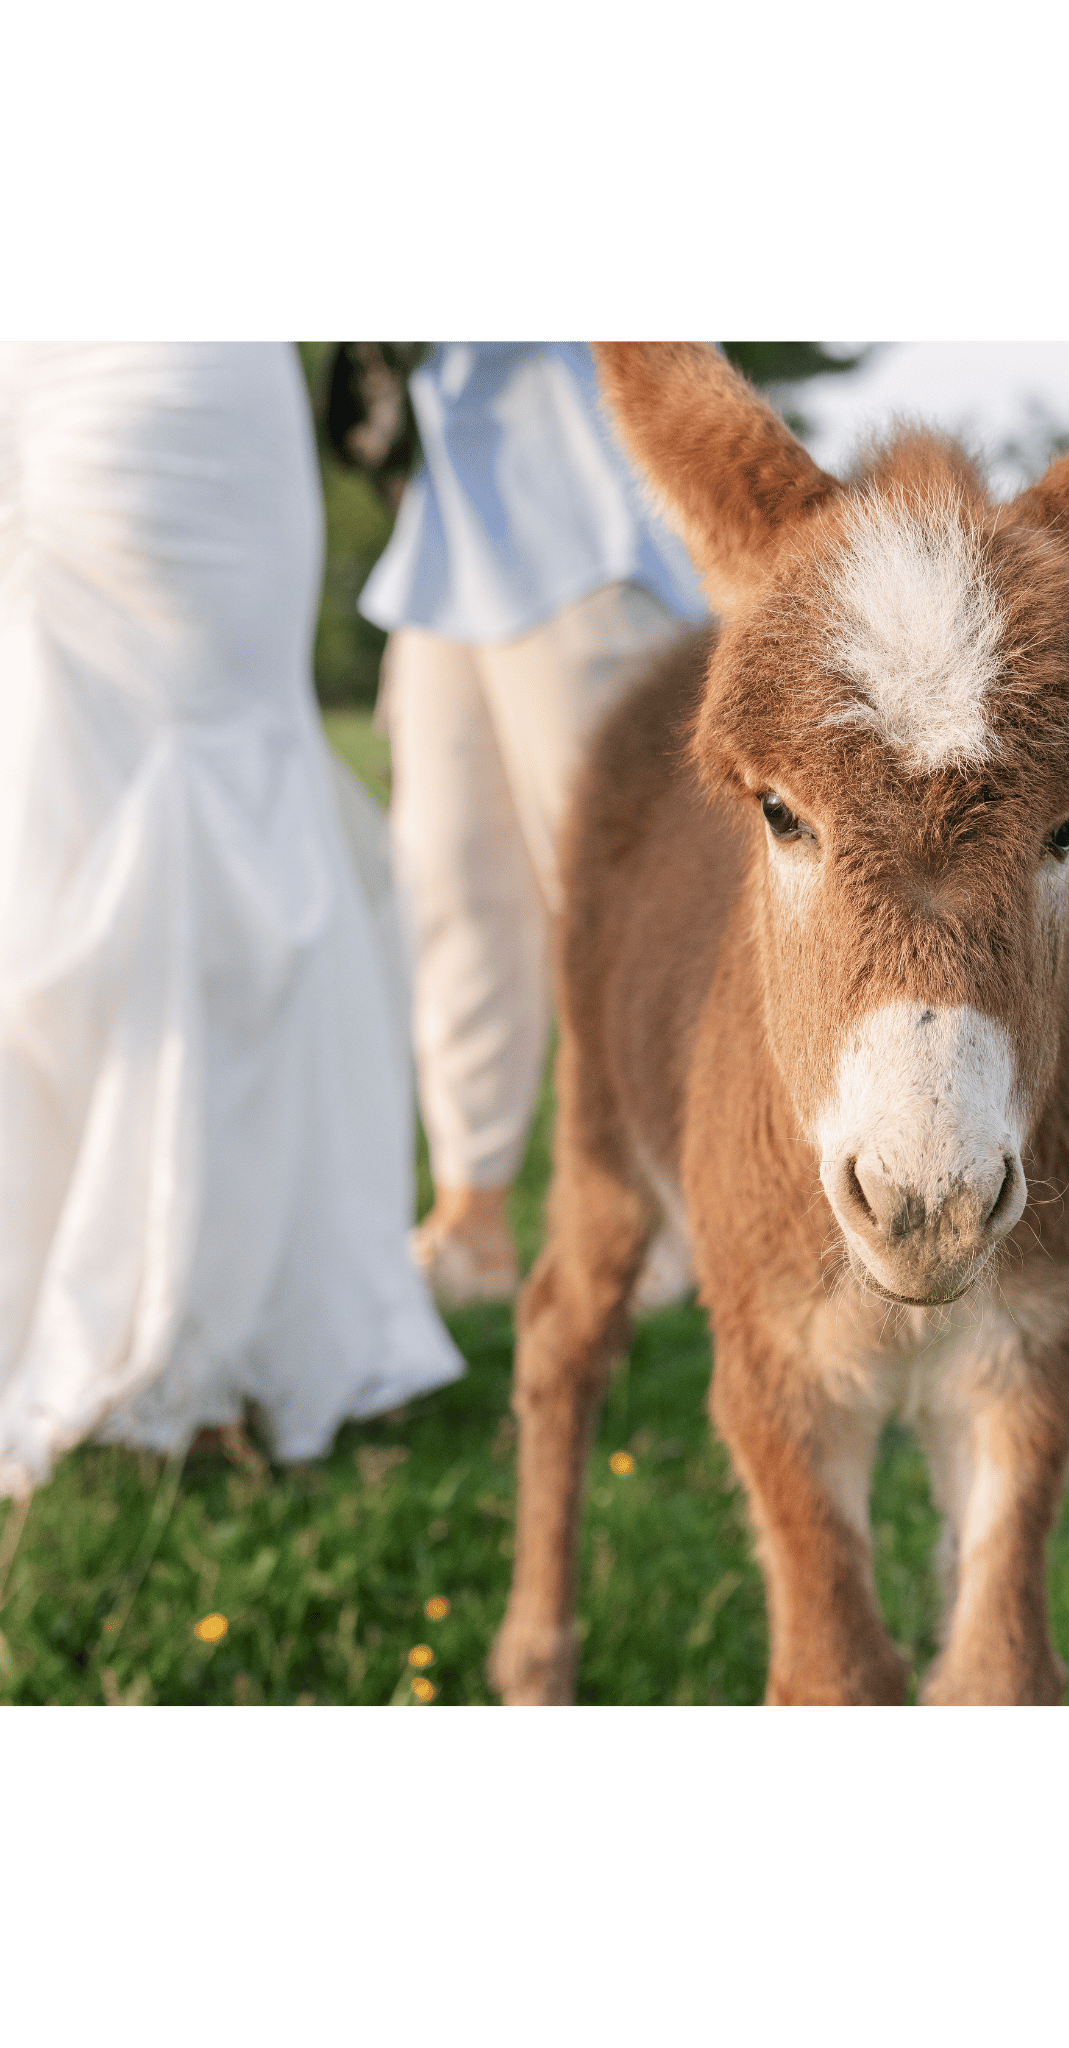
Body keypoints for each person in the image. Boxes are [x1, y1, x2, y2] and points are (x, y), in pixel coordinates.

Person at [0, 342, 463, 1497]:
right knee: (90, 775)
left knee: (177, 779)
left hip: (151, 395)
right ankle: (142, 1308)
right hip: (102, 393)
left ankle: (183, 1312)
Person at [357, 343, 705, 1307]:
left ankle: (674, 1212)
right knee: (451, 885)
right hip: (454, 532)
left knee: (620, 905)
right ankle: (471, 1219)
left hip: (596, 516)